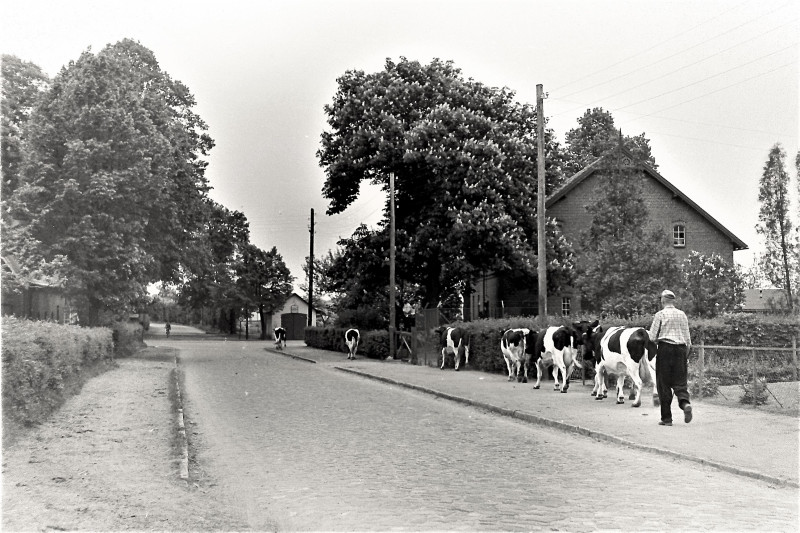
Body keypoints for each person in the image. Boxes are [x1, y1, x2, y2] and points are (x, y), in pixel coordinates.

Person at [648, 289, 692, 426]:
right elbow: (688, 340)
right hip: (680, 349)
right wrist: (685, 355)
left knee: (663, 384)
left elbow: (652, 337)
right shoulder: (682, 315)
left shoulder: (660, 315)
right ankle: (685, 404)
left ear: (662, 300)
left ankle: (667, 419)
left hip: (665, 349)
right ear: (673, 300)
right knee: (680, 383)